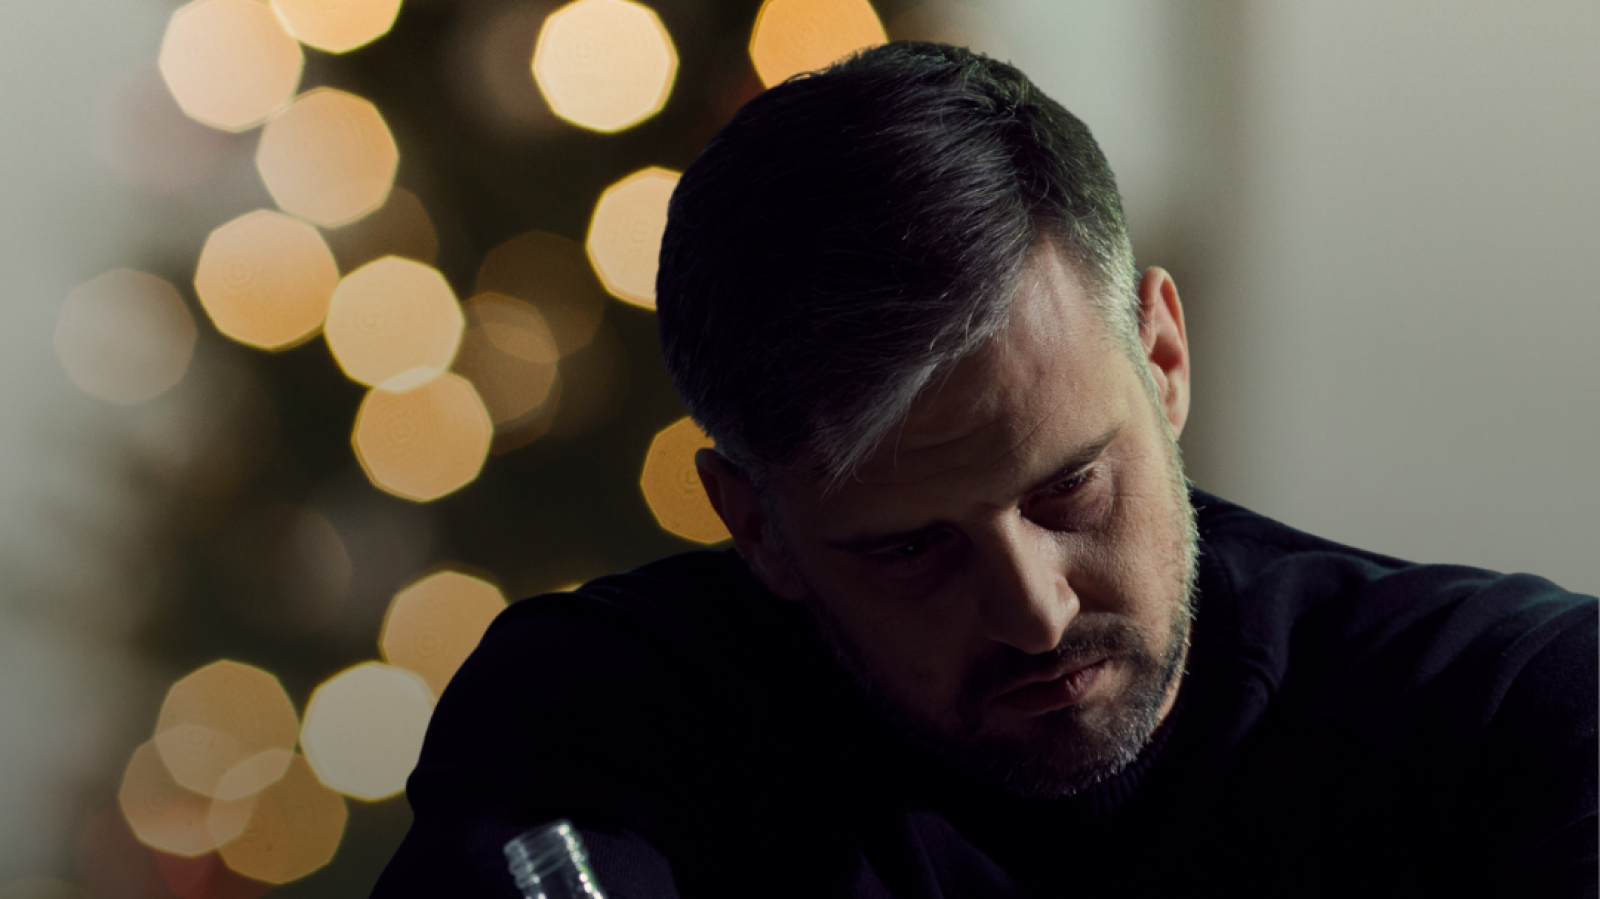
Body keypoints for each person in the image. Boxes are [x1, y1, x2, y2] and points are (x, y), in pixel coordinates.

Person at [372, 42, 1597, 898]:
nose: (1033, 607)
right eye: (910, 545)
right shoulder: (607, 715)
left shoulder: (1511, 706)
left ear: (1161, 353)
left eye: (1068, 487)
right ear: (755, 524)